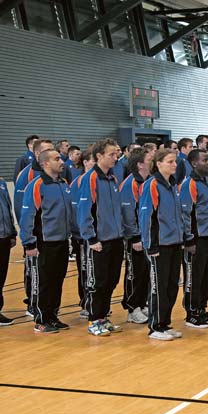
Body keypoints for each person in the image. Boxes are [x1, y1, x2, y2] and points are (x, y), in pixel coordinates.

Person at [20, 149, 74, 333]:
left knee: (57, 280)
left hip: (62, 241)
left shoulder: (64, 183)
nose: (62, 162)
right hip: (44, 243)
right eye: (57, 159)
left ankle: (53, 316)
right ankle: (41, 320)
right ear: (45, 164)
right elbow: (27, 215)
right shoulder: (37, 185)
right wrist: (29, 242)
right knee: (44, 282)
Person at [77, 138, 125, 337]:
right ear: (99, 156)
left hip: (116, 238)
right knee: (98, 282)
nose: (116, 158)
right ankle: (94, 320)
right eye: (111, 154)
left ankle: (104, 317)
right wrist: (91, 238)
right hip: (99, 241)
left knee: (112, 280)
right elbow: (84, 211)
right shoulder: (90, 179)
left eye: (117, 154)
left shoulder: (113, 179)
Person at [139, 149, 186, 341]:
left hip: (175, 243)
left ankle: (165, 323)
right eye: (170, 162)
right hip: (160, 246)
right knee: (158, 286)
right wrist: (151, 245)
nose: (174, 165)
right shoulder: (152, 185)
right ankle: (155, 326)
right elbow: (146, 217)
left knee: (171, 286)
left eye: (175, 162)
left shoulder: (172, 185)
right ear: (158, 164)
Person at [14, 138, 54, 315]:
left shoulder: (55, 175)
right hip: (35, 235)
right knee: (33, 269)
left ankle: (49, 307)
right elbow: (21, 207)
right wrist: (27, 237)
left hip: (51, 235)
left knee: (49, 274)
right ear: (38, 154)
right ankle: (32, 301)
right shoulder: (27, 175)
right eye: (48, 150)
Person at [180, 149, 208, 328]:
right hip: (196, 239)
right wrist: (189, 240)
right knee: (193, 276)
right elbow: (185, 214)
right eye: (205, 160)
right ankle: (192, 311)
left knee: (206, 275)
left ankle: (202, 307)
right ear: (194, 163)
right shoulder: (189, 184)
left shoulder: (207, 182)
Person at [120, 148, 152, 325]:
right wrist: (134, 237)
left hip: (148, 236)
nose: (152, 161)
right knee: (135, 272)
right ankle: (132, 308)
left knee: (146, 272)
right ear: (140, 164)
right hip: (136, 238)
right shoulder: (129, 184)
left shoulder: (149, 181)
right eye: (149, 159)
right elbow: (128, 213)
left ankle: (142, 303)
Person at [70, 147, 95, 318]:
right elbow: (75, 212)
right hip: (83, 237)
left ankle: (97, 303)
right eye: (94, 160)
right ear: (85, 162)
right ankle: (86, 302)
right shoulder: (78, 183)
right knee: (85, 270)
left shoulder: (103, 180)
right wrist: (79, 234)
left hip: (100, 237)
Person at [0, 176, 17, 326]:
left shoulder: (2, 183)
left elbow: (8, 208)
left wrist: (12, 232)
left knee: (1, 276)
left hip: (4, 237)